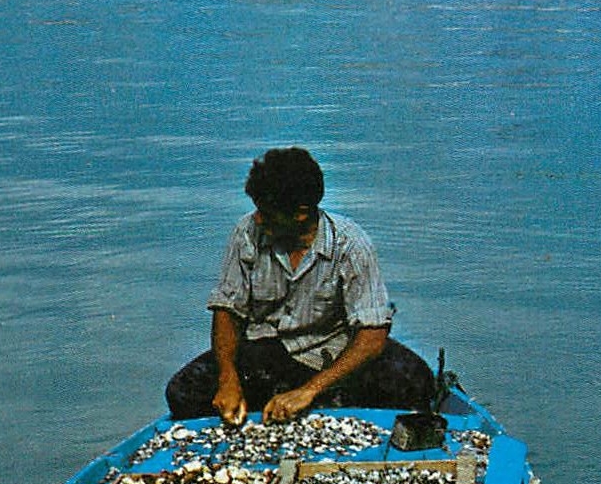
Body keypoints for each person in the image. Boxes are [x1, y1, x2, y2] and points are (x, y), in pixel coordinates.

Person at [166, 148, 434, 424]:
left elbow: (372, 336)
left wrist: (309, 391)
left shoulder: (351, 244)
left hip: (330, 351)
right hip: (264, 350)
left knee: (417, 382)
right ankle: (288, 400)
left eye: (267, 212)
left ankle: (310, 398)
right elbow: (226, 310)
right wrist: (228, 378)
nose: (257, 219)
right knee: (182, 392)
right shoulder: (246, 233)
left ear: (301, 214)